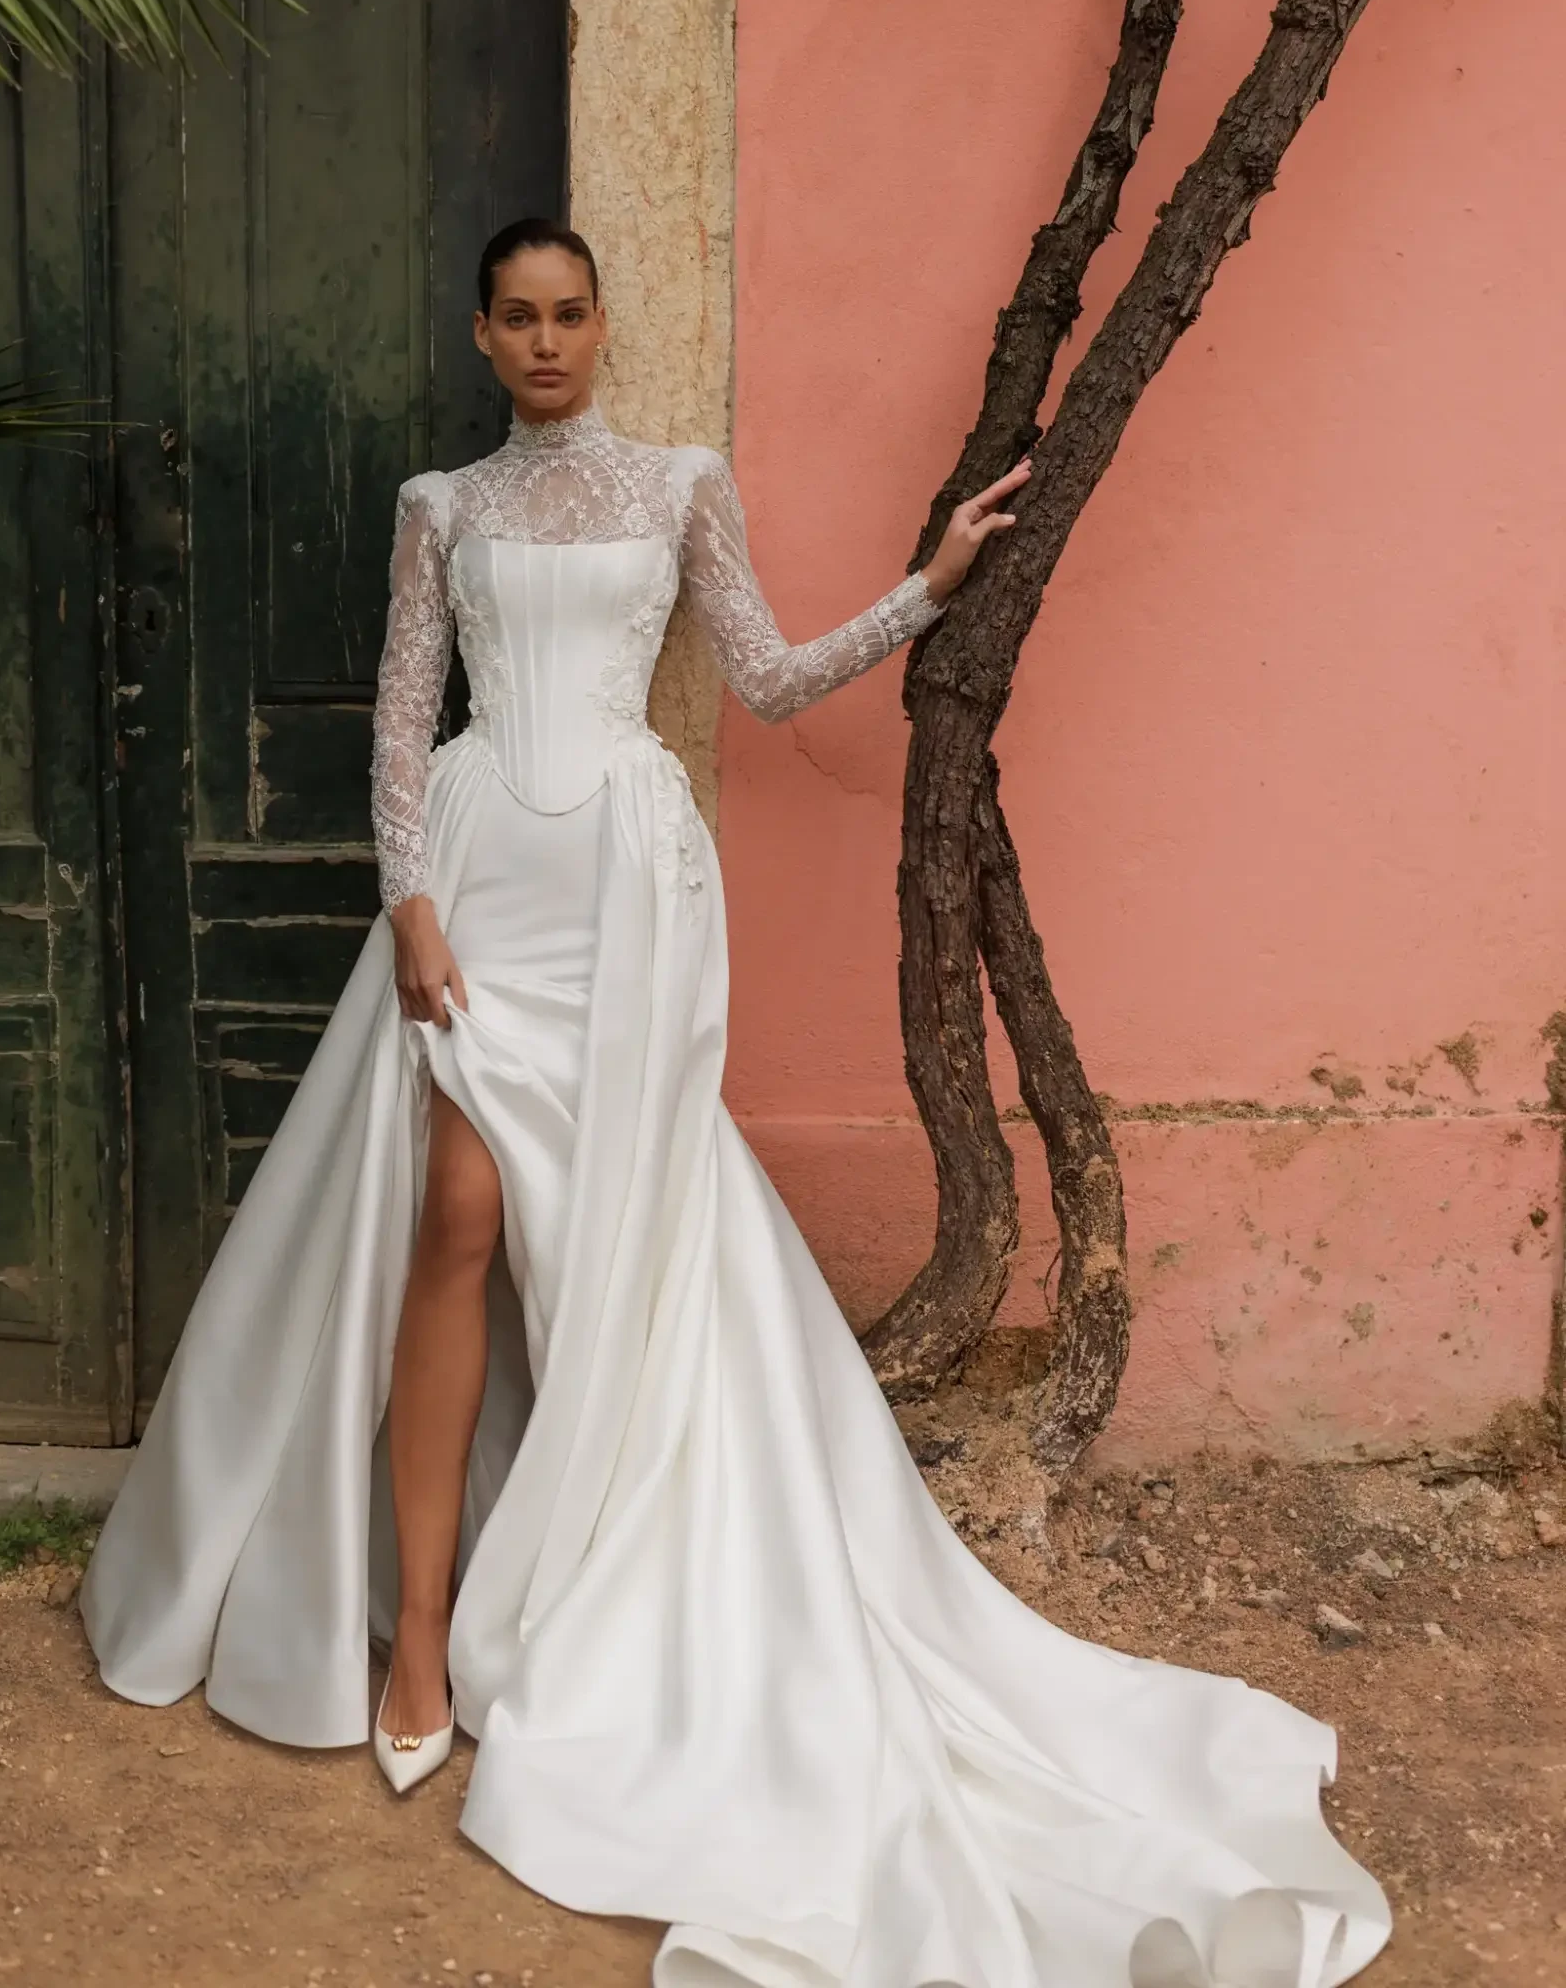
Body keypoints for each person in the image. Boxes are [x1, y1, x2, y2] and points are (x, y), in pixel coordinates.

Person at [82, 219, 1389, 1988]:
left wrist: (927, 585)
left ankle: (586, 1573)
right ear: (481, 336)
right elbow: (399, 717)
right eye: (517, 319)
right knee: (454, 1213)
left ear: (600, 325)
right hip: (480, 878)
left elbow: (762, 677)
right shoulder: (438, 505)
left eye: (570, 314)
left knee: (610, 1237)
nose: (547, 342)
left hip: (625, 891)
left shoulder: (681, 482)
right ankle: (414, 1641)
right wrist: (408, 903)